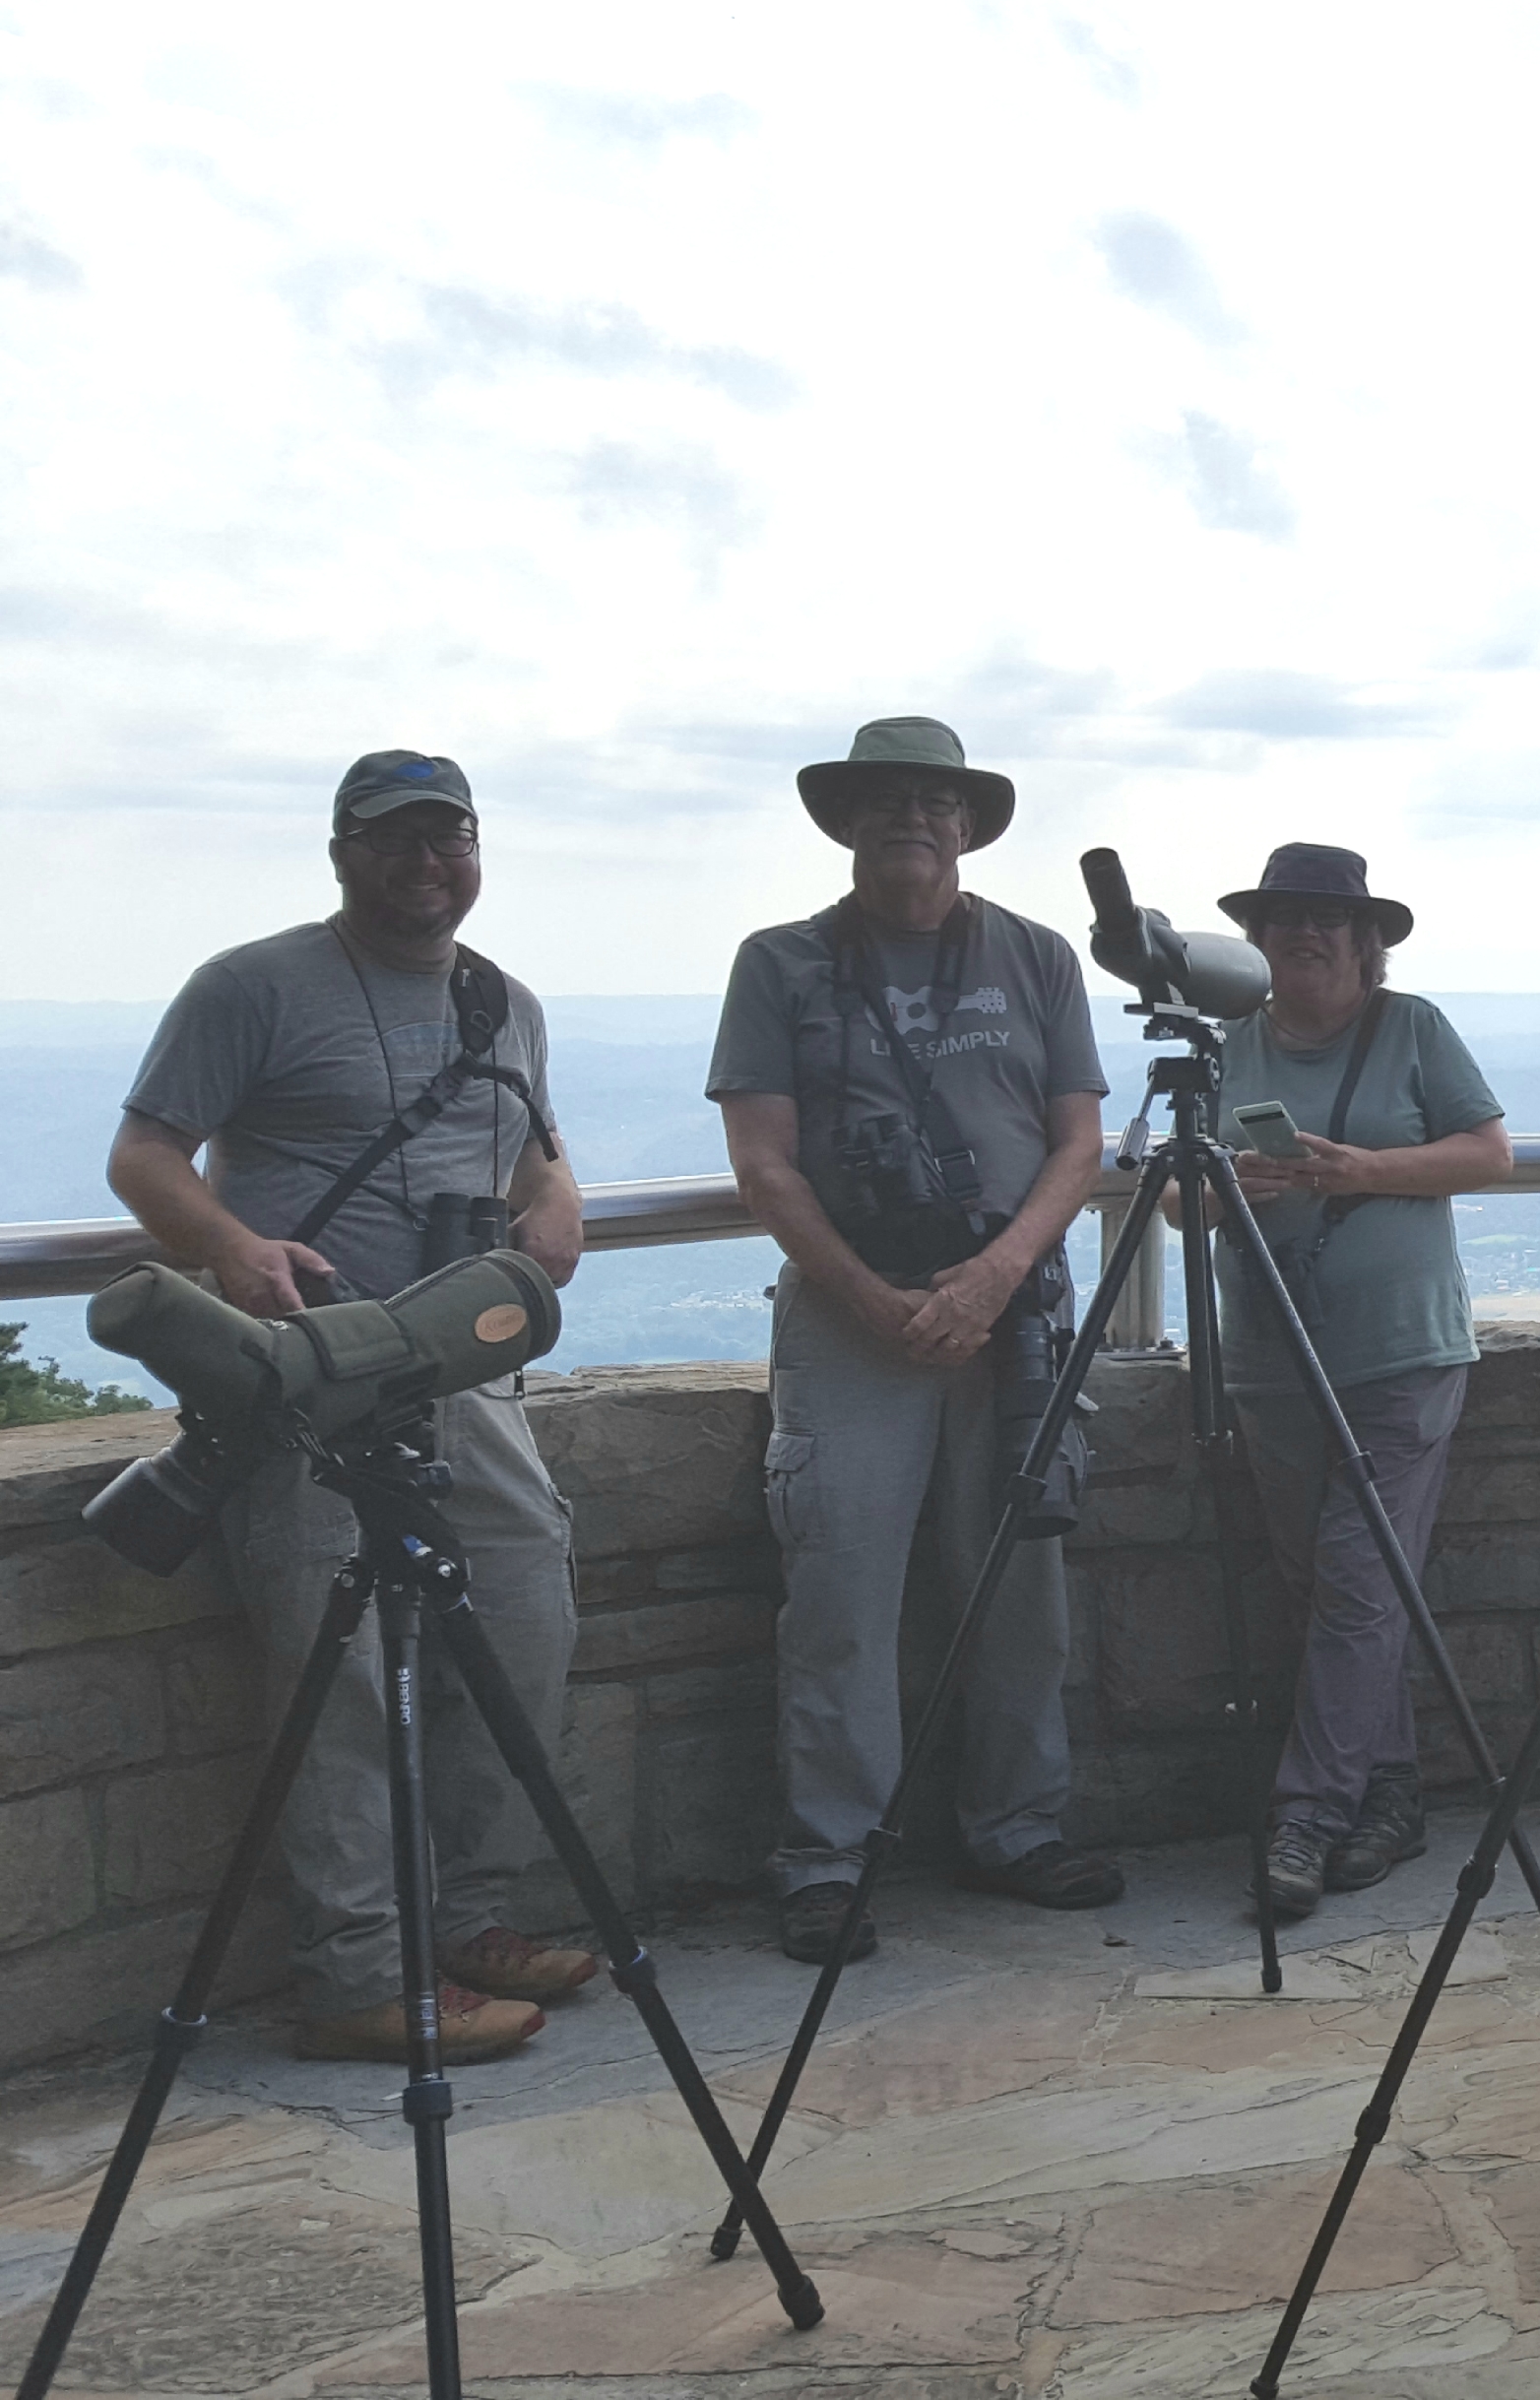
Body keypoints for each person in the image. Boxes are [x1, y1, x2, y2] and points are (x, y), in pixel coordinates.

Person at [107, 751, 596, 2065]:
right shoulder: (251, 986)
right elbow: (145, 1154)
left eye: (450, 838)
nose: (426, 864)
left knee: (526, 1611)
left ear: (478, 849)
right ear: (341, 854)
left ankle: (474, 1920)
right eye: (396, 841)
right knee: (346, 1668)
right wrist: (226, 1246)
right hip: (312, 1372)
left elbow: (524, 1140)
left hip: (457, 1365)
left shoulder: (506, 1001)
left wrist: (554, 1189)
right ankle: (362, 1973)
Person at [708, 718, 1121, 1964]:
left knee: (1020, 1584)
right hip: (852, 1317)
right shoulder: (779, 964)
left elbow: (1077, 1142)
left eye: (934, 801)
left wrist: (996, 1275)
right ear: (844, 821)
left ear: (967, 823)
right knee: (840, 1590)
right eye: (885, 799)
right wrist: (867, 1296)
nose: (912, 819)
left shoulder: (1035, 955)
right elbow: (763, 1162)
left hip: (1015, 1317)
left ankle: (1016, 1825)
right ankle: (829, 1861)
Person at [1199, 845, 1515, 1921]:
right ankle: (1389, 1792)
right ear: (1260, 936)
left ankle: (1309, 1813)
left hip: (1398, 1347)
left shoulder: (1412, 1028)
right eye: (1285, 915)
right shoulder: (1226, 1052)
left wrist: (1360, 1171)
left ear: (1365, 939)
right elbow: (1173, 1206)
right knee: (1328, 1587)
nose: (1306, 932)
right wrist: (1224, 1185)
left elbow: (1487, 1153)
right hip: (1271, 1353)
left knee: (1353, 1576)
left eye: (1327, 917)